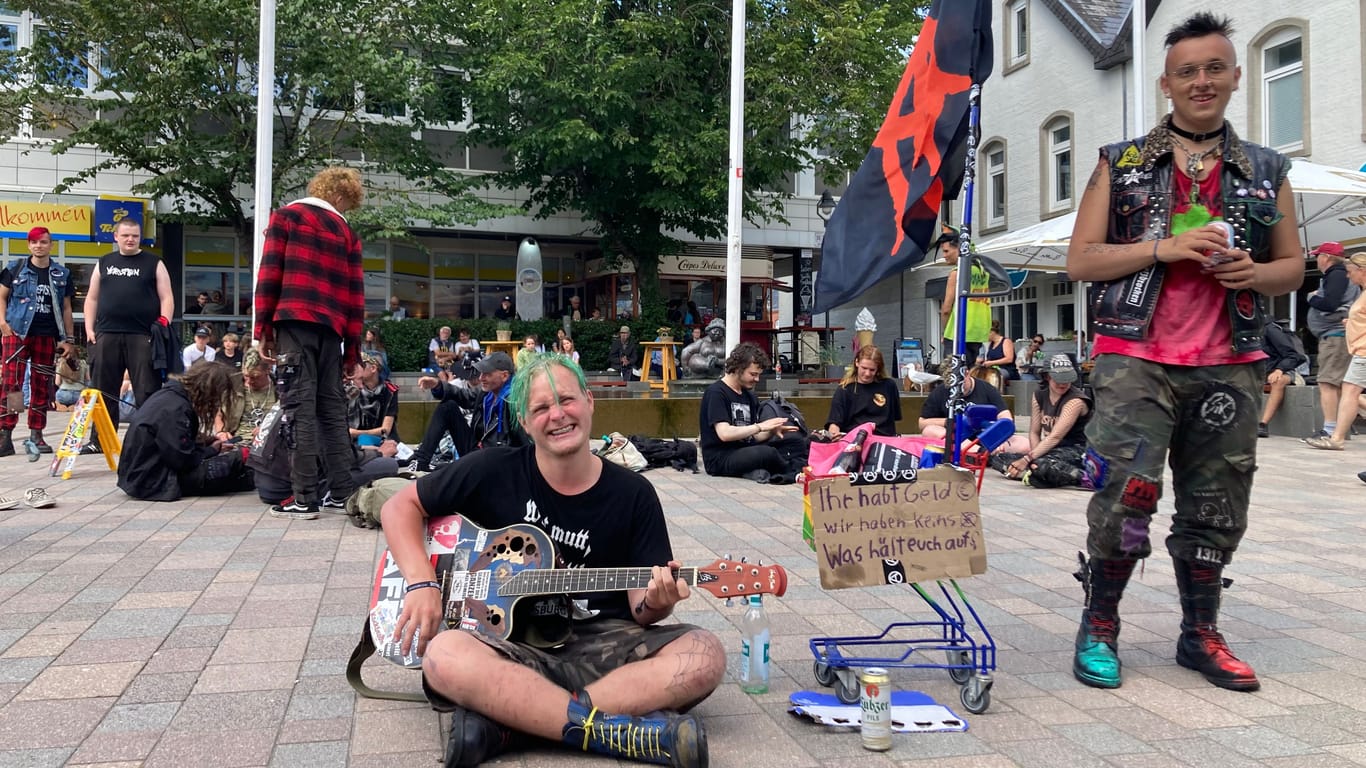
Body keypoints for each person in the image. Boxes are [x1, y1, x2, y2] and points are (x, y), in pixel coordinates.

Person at [1064, 12, 1303, 693]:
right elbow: (1081, 260)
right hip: (1135, 356)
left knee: (1218, 505)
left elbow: (1293, 265)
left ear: (1234, 77)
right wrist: (1162, 248)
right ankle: (1100, 624)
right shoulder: (1123, 161)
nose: (1202, 81)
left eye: (1214, 68)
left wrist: (1253, 273)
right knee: (1123, 498)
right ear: (1166, 83)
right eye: (1187, 71)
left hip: (1231, 358)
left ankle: (1200, 633)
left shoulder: (1265, 169)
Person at [381, 354, 723, 768]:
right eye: (541, 408)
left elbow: (642, 608)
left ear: (590, 401)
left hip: (603, 644)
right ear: (524, 421)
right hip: (511, 645)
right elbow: (399, 507)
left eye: (566, 400)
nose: (558, 415)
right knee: (444, 655)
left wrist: (661, 599)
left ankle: (514, 724)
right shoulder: (493, 469)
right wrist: (422, 583)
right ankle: (610, 730)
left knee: (705, 653)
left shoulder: (634, 494)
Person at [254, 166, 366, 520]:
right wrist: (353, 351)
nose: (346, 210)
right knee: (332, 410)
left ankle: (304, 498)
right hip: (331, 330)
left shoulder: (286, 218)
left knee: (298, 408)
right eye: (347, 202)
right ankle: (342, 492)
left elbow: (269, 275)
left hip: (293, 321)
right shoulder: (347, 233)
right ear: (337, 195)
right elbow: (355, 298)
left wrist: (263, 331)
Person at [84, 217, 175, 451]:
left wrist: (163, 323)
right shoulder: (104, 262)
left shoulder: (154, 262)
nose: (130, 239)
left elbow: (167, 297)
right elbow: (92, 297)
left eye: (134, 235)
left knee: (147, 389)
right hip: (106, 334)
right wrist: (88, 327)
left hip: (143, 335)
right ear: (116, 237)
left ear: (140, 237)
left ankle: (150, 440)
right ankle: (100, 441)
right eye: (125, 235)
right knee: (103, 389)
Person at [116, 361, 255, 501]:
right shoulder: (176, 409)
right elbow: (181, 460)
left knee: (236, 472)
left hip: (140, 476)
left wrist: (204, 441)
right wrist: (212, 450)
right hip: (155, 480)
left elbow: (175, 442)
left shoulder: (171, 396)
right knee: (236, 459)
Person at [0, 226, 76, 456]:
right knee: (12, 384)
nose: (38, 246)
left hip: (47, 334)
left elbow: (66, 308)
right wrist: (2, 323)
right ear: (28, 245)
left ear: (50, 244)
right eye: (34, 242)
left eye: (43, 242)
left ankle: (37, 433)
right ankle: (6, 434)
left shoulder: (61, 274)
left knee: (41, 384)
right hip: (17, 333)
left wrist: (68, 340)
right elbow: (1, 297)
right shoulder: (15, 268)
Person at [404, 351, 526, 473]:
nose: (480, 378)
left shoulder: (514, 402)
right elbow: (463, 396)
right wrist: (438, 385)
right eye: (481, 373)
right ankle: (420, 461)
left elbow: (525, 444)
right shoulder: (485, 394)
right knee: (448, 407)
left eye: (487, 374)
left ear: (504, 376)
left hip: (497, 462)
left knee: (444, 471)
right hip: (477, 452)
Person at [699, 342, 802, 482]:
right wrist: (760, 426)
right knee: (767, 453)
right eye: (753, 374)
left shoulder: (749, 395)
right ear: (738, 368)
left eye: (759, 375)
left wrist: (772, 431)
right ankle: (793, 474)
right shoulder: (716, 393)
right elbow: (724, 434)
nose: (757, 379)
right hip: (720, 458)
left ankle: (760, 470)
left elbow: (752, 437)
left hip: (746, 449)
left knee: (796, 443)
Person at [991, 355, 1093, 488]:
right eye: (1058, 380)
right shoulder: (1039, 395)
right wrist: (1034, 456)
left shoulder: (1076, 401)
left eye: (1066, 380)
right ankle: (1038, 474)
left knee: (1041, 465)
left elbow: (1055, 436)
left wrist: (1029, 459)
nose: (1063, 384)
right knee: (998, 458)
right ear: (1047, 377)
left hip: (1078, 450)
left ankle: (1086, 478)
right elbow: (1034, 432)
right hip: (1052, 451)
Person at [1306, 252, 1366, 450]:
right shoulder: (1362, 292)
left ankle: (1335, 435)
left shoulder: (1338, 278)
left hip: (1361, 348)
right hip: (1357, 347)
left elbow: (1330, 303)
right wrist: (1352, 322)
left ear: (1361, 271)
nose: (1348, 276)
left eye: (1350, 272)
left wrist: (1311, 298)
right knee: (1348, 390)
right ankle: (1336, 436)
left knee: (1344, 388)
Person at [917, 361, 1029, 453]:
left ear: (967, 373)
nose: (958, 389)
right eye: (952, 386)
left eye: (960, 384)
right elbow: (922, 423)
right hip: (957, 437)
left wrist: (997, 437)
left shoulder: (986, 389)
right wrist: (949, 422)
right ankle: (979, 452)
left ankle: (983, 452)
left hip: (986, 436)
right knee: (929, 431)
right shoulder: (940, 391)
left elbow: (1006, 418)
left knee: (1025, 444)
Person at [938, 226, 990, 368]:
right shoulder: (982, 271)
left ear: (960, 248)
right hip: (978, 331)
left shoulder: (956, 273)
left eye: (947, 251)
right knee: (968, 373)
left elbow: (946, 309)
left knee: (953, 375)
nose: (944, 255)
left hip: (958, 332)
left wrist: (945, 332)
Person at [825, 346, 902, 437]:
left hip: (884, 440)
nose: (867, 373)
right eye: (864, 368)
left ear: (878, 369)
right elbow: (834, 423)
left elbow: (894, 418)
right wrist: (834, 435)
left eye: (872, 370)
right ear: (856, 363)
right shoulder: (844, 389)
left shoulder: (889, 386)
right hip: (855, 440)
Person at [1257, 319, 1307, 438]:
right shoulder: (1244, 332)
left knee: (1277, 381)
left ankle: (1263, 424)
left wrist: (1279, 369)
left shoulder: (1271, 329)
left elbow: (1293, 356)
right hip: (1258, 372)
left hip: (1282, 369)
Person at [215, 349, 277, 443]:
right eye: (246, 376)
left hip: (268, 445)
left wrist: (267, 429)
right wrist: (220, 432)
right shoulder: (232, 384)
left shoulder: (280, 389)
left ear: (268, 370)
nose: (249, 381)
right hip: (235, 442)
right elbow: (218, 413)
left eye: (255, 377)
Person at [347, 352, 400, 446]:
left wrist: (355, 433)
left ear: (373, 368)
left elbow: (386, 430)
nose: (356, 369)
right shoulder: (350, 389)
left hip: (381, 440)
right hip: (353, 441)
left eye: (361, 365)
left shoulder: (390, 391)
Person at [53, 342, 88, 410]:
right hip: (79, 395)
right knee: (82, 400)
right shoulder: (83, 363)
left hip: (63, 395)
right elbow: (88, 379)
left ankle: (61, 405)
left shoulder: (60, 364)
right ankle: (75, 406)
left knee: (57, 396)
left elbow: (57, 383)